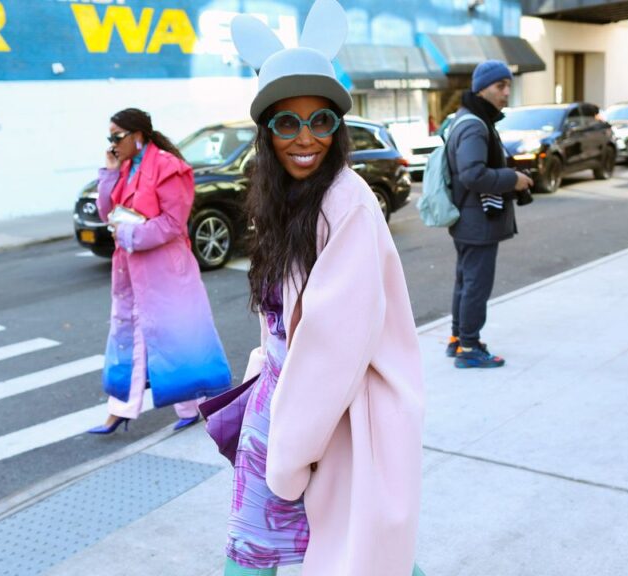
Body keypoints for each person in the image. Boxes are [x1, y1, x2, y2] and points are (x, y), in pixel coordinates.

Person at [226, 1, 425, 574]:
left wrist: (289, 454)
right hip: (293, 412)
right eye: (287, 123)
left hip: (331, 421)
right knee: (360, 555)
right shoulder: (289, 199)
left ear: (338, 127)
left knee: (284, 556)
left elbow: (333, 347)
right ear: (266, 131)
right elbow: (281, 323)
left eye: (321, 120)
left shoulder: (346, 203)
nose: (305, 137)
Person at [87, 108, 232, 434]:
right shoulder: (125, 168)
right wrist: (109, 173)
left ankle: (191, 407)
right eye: (110, 137)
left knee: (177, 338)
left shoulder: (169, 168)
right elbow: (107, 213)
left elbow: (172, 223)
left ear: (138, 135)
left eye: (117, 137)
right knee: (130, 339)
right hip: (132, 272)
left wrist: (128, 234)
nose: (112, 144)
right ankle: (120, 409)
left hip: (166, 272)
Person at [444, 61, 533, 369]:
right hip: (477, 219)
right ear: (481, 89)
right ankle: (469, 348)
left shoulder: (467, 118)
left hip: (467, 217)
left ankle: (458, 339)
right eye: (500, 86)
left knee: (466, 281)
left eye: (509, 85)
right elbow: (473, 174)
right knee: (476, 285)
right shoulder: (474, 125)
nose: (506, 92)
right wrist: (513, 179)